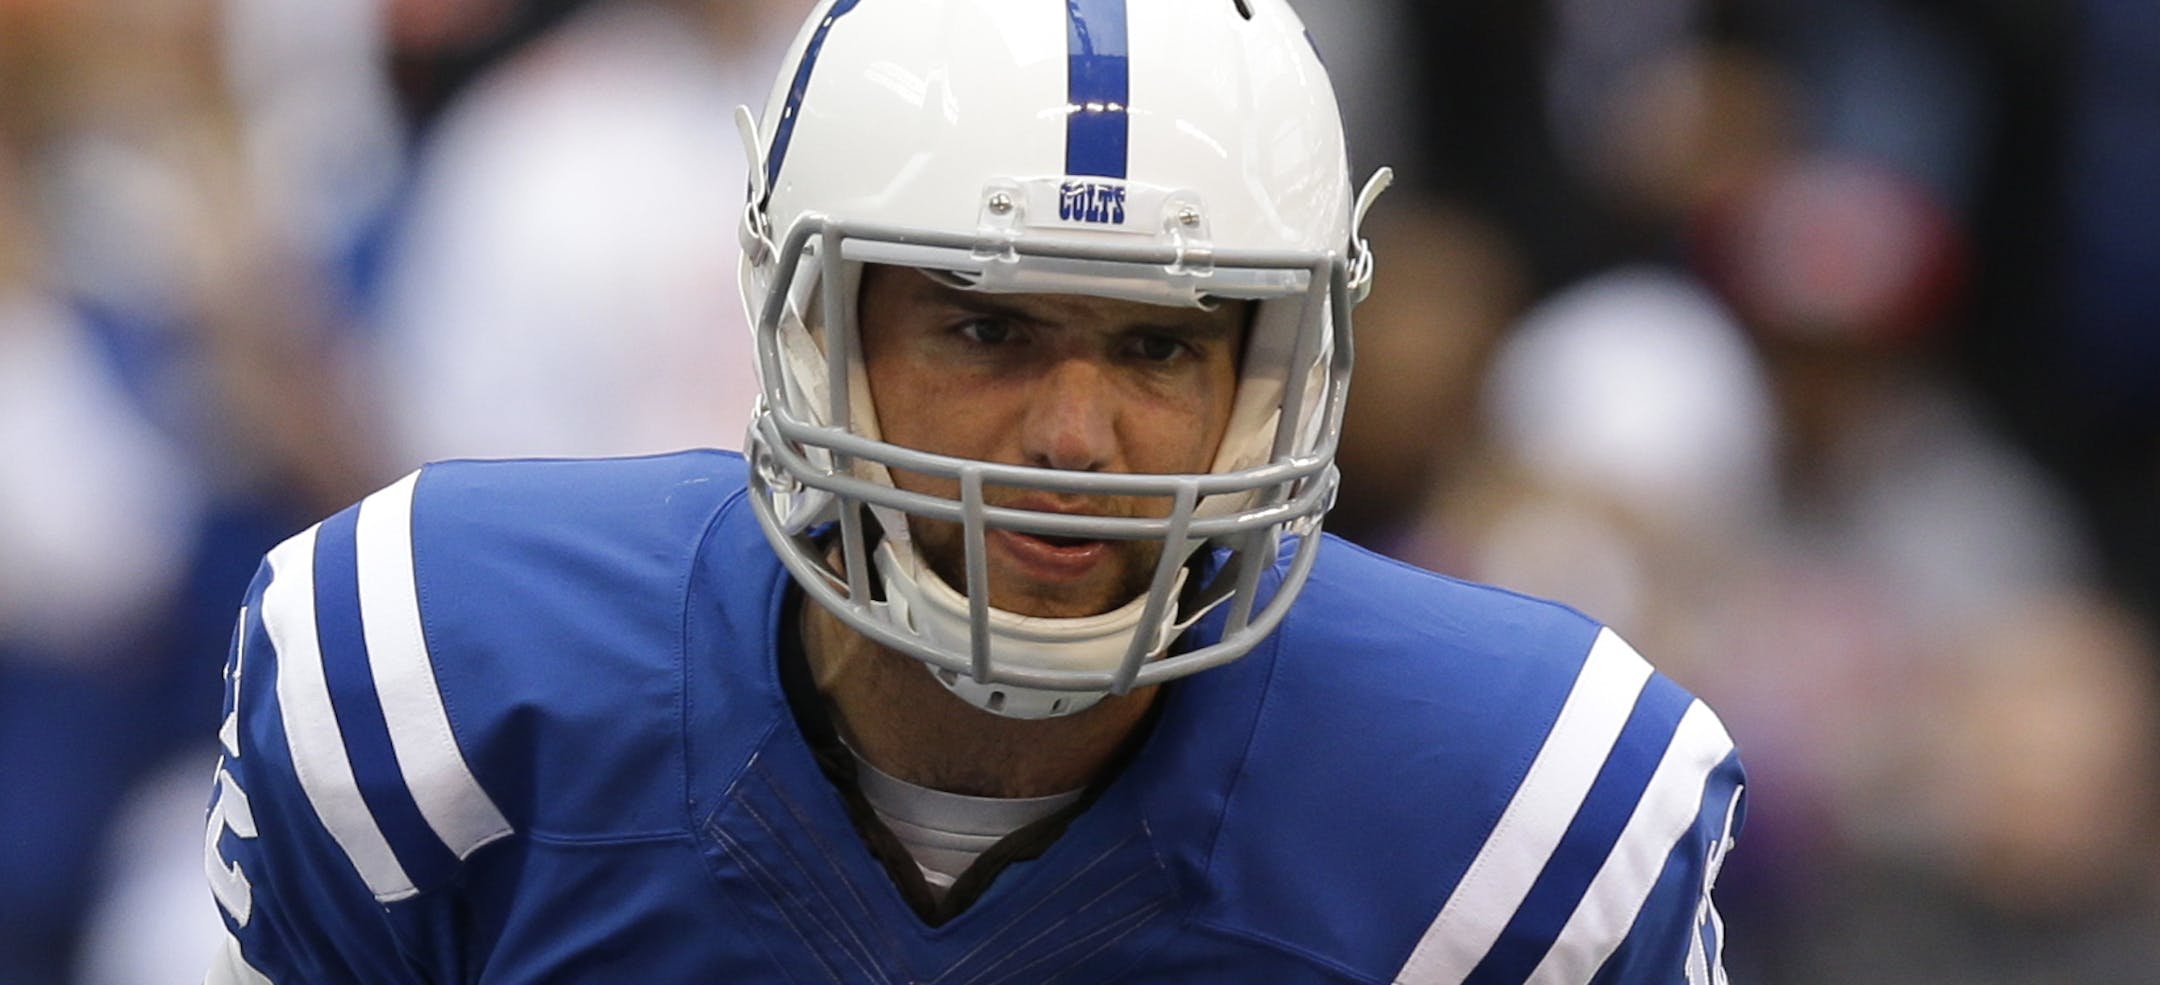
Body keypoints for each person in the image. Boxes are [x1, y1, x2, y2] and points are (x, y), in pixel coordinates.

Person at [204, 1, 1745, 981]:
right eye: (988, 325)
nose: (1076, 436)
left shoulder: (1521, 812)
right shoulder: (434, 681)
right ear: (817, 327)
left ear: (1273, 372)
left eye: (1158, 344)